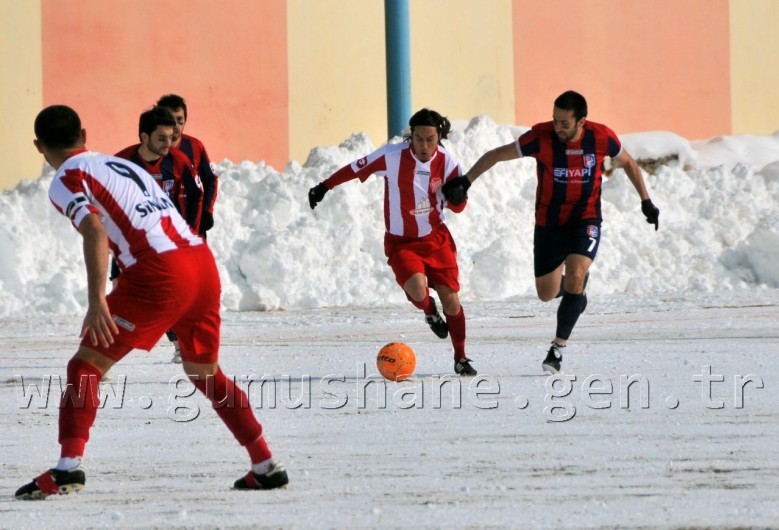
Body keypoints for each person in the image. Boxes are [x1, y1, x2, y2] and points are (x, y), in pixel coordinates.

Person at [16, 105, 288, 500]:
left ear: (39, 146)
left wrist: (96, 301)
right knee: (206, 373)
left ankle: (67, 469)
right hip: (200, 263)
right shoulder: (115, 163)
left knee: (85, 364)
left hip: (160, 271)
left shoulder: (65, 178)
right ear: (85, 133)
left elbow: (93, 232)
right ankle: (264, 464)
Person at [442, 90, 660, 374]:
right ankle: (575, 293)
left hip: (585, 219)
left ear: (582, 121)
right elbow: (497, 154)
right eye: (555, 120)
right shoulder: (540, 137)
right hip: (549, 223)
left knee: (577, 273)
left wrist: (646, 201)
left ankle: (557, 349)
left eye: (564, 123)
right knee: (546, 293)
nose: (557, 127)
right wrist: (466, 181)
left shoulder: (602, 137)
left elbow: (629, 163)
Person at [308, 108, 477, 376]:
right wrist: (324, 186)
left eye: (430, 139)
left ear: (439, 137)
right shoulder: (391, 156)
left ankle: (461, 357)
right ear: (411, 137)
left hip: (436, 240)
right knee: (418, 290)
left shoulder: (448, 162)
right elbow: (355, 168)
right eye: (418, 139)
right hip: (402, 243)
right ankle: (429, 311)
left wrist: (458, 197)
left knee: (452, 302)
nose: (424, 145)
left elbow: (458, 207)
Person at [115, 106, 204, 363]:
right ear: (144, 137)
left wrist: (191, 231)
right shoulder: (121, 163)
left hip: (168, 244)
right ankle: (101, 353)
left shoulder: (178, 161)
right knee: (124, 302)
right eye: (161, 139)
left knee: (170, 296)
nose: (169, 144)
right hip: (130, 244)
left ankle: (181, 344)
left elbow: (197, 195)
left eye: (171, 138)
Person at [155, 94, 219, 238]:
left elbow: (210, 179)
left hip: (193, 227)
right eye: (171, 120)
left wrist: (207, 211)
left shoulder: (195, 146)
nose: (176, 125)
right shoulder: (150, 150)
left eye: (180, 120)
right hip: (161, 230)